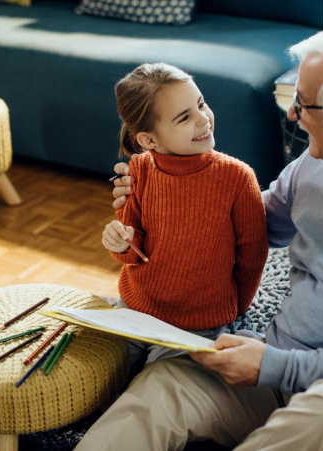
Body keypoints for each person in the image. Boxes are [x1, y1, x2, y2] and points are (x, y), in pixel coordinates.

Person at [76, 26, 323, 451]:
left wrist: (277, 365)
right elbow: (246, 227)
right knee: (167, 383)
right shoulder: (316, 163)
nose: (292, 115)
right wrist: (162, 197)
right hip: (281, 367)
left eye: (304, 104)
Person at [101, 63, 269, 374]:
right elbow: (132, 250)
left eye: (201, 104)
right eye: (185, 117)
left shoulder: (237, 178)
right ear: (150, 140)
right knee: (100, 372)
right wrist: (120, 243)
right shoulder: (138, 171)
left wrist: (235, 308)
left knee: (158, 387)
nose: (203, 119)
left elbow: (253, 255)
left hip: (199, 323)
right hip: (136, 307)